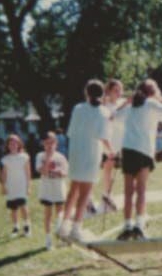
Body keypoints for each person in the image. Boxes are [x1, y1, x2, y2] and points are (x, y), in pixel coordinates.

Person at [115, 78, 162, 240]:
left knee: (128, 191)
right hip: (143, 150)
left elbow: (113, 116)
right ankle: (139, 225)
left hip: (128, 149)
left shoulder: (130, 106)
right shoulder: (151, 103)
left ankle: (127, 226)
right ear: (152, 91)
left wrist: (125, 102)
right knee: (141, 189)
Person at [57, 79, 114, 242]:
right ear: (102, 93)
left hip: (75, 152)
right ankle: (76, 228)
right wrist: (111, 151)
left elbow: (71, 132)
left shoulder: (78, 108)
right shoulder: (103, 112)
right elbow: (103, 137)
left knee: (73, 190)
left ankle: (64, 226)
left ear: (86, 93)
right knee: (84, 192)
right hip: (90, 153)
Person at [36, 131, 69, 250]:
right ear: (43, 144)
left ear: (56, 143)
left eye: (52, 143)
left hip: (59, 189)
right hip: (47, 190)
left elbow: (65, 172)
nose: (49, 145)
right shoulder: (40, 156)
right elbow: (43, 171)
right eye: (47, 143)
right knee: (48, 215)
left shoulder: (61, 157)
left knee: (60, 214)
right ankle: (48, 239)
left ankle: (61, 236)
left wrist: (60, 173)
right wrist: (48, 157)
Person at [100, 79, 127, 211]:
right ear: (108, 91)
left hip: (122, 138)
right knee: (108, 167)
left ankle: (110, 194)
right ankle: (107, 194)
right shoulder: (105, 105)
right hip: (110, 140)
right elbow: (110, 116)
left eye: (120, 90)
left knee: (121, 168)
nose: (119, 93)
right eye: (115, 90)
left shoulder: (122, 102)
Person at [1, 134, 32, 237]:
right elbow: (4, 174)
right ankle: (15, 227)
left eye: (15, 143)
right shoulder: (5, 159)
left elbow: (28, 173)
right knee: (13, 208)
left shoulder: (25, 157)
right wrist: (4, 186)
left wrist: (29, 186)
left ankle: (27, 226)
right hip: (11, 186)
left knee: (23, 206)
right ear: (8, 145)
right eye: (11, 143)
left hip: (22, 186)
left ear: (19, 144)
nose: (13, 145)